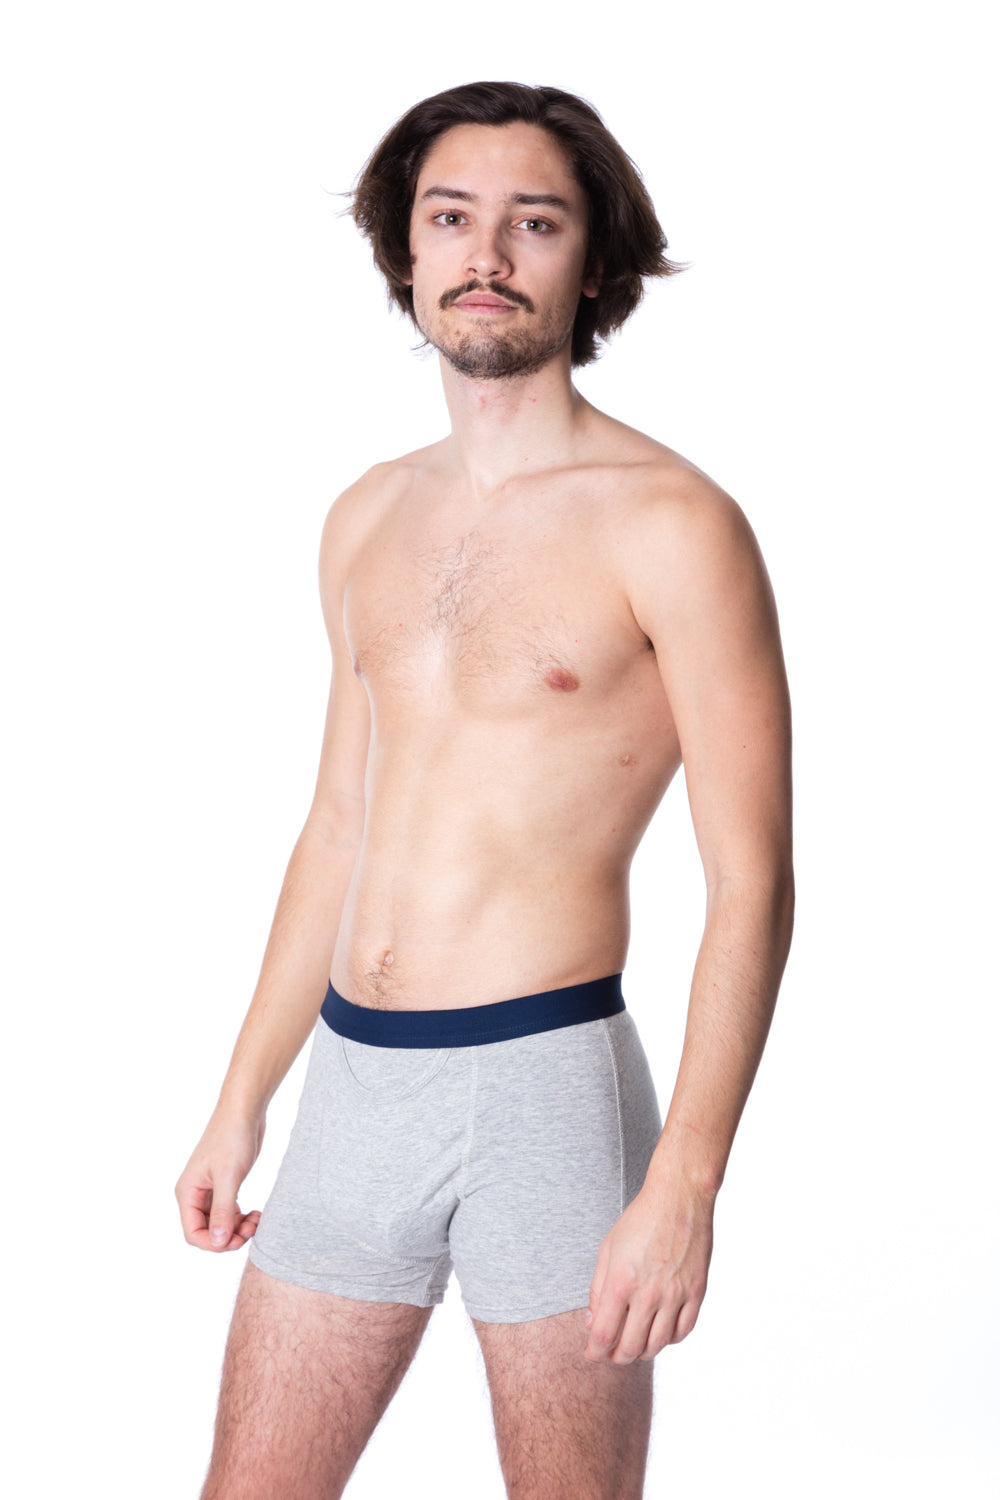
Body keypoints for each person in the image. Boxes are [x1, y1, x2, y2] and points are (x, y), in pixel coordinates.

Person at [176, 80, 794, 1500]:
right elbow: (338, 825)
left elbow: (752, 879)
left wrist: (686, 1180)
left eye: (536, 222)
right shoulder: (368, 513)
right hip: (353, 1085)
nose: (488, 255)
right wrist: (241, 1096)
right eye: (452, 218)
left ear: (596, 261)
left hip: (544, 1085)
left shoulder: (675, 524)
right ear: (406, 248)